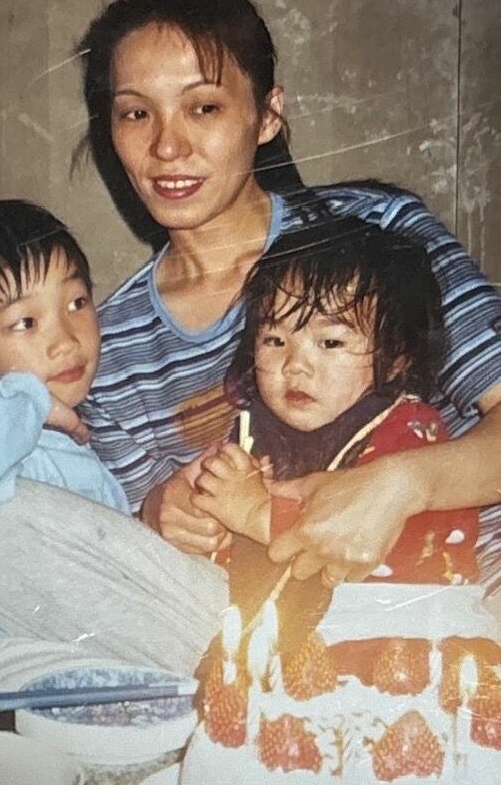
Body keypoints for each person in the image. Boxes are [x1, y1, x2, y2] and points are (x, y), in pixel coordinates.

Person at [0, 0, 501, 664]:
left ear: (267, 115)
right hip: (265, 616)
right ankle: (278, 684)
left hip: (458, 587)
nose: (167, 148)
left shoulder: (377, 230)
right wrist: (158, 513)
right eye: (134, 114)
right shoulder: (105, 339)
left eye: (203, 107)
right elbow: (128, 547)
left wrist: (399, 485)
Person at [0, 200, 229, 727]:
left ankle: (241, 663)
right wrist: (27, 401)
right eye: (26, 322)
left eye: (77, 302)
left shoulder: (86, 447)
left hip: (108, 672)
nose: (66, 339)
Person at [194, 216, 479, 619]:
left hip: (397, 638)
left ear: (397, 356)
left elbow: (379, 547)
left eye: (330, 342)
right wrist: (212, 523)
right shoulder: (253, 429)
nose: (294, 365)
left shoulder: (410, 429)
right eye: (274, 339)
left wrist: (258, 516)